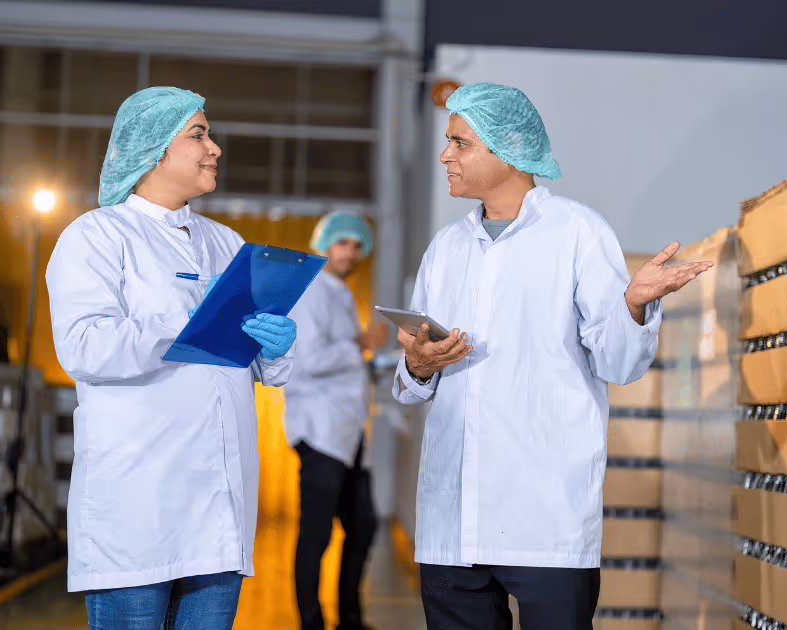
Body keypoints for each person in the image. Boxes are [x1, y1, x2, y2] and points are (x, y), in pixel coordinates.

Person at [392, 82, 713, 629]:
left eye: (460, 143)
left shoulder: (577, 232)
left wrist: (633, 305)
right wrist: (417, 366)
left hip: (544, 515)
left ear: (507, 148)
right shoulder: (446, 248)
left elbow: (617, 364)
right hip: (451, 523)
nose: (446, 155)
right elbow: (413, 376)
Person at [46, 86, 298, 630]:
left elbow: (254, 364)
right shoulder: (97, 236)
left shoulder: (227, 243)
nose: (215, 148)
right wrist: (179, 325)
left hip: (219, 508)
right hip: (138, 506)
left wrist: (274, 348)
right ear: (153, 149)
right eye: (199, 134)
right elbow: (85, 347)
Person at [284, 211, 388, 630]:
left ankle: (350, 619)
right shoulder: (310, 291)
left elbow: (345, 362)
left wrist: (381, 359)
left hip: (348, 434)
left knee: (362, 528)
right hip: (321, 431)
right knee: (316, 535)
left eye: (358, 245)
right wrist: (360, 344)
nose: (351, 252)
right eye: (343, 242)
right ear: (323, 243)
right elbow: (306, 362)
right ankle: (311, 622)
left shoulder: (340, 294)